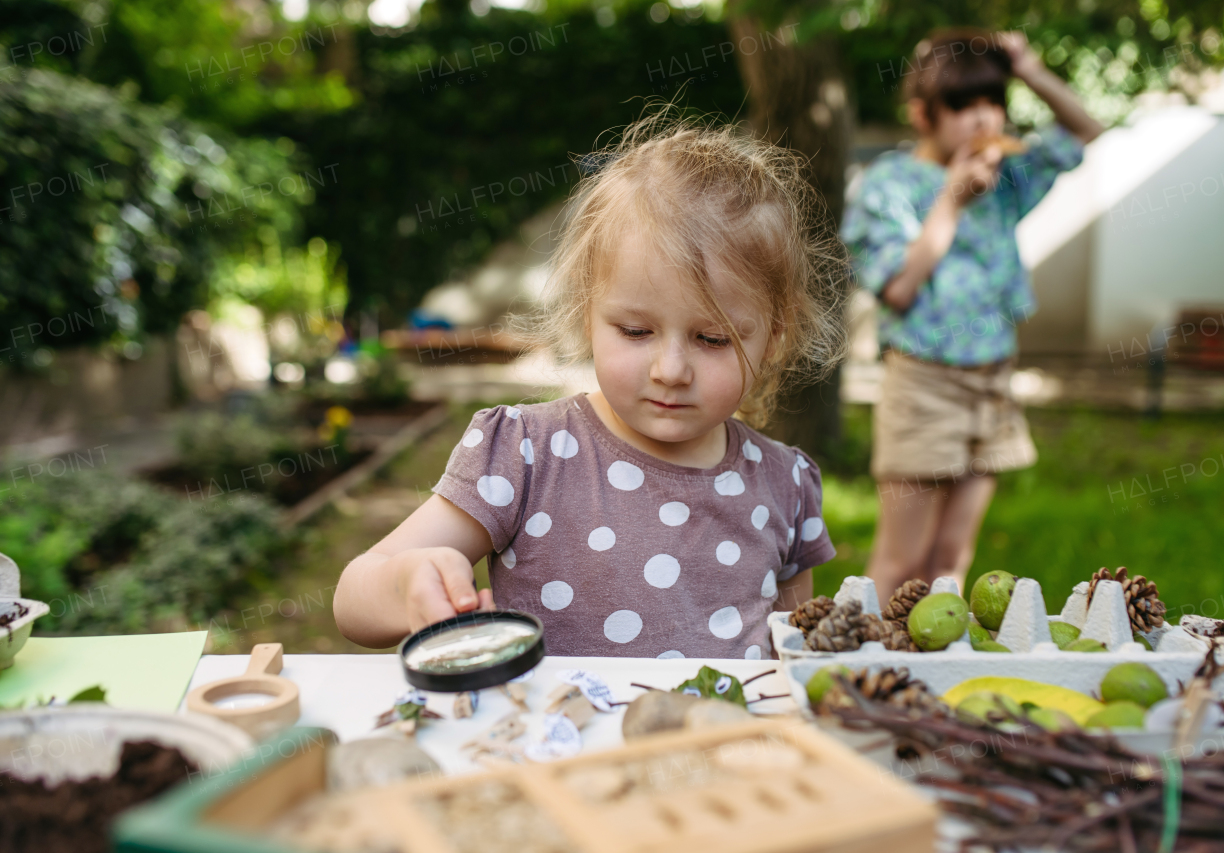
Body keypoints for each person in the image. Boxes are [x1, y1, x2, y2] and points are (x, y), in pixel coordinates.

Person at [334, 109, 848, 657]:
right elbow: (353, 600)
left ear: (773, 336)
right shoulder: (526, 457)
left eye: (713, 340)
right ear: (587, 313)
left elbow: (795, 657)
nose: (671, 369)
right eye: (636, 330)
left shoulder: (785, 485)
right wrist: (407, 584)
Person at [842, 30, 1103, 608]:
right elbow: (900, 289)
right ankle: (863, 668)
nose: (983, 118)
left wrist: (1030, 69)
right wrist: (952, 200)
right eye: (962, 106)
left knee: (951, 559)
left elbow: (1085, 131)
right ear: (922, 114)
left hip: (992, 381)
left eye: (993, 100)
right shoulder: (890, 186)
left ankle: (931, 676)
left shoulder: (1008, 177)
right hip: (923, 382)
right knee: (901, 559)